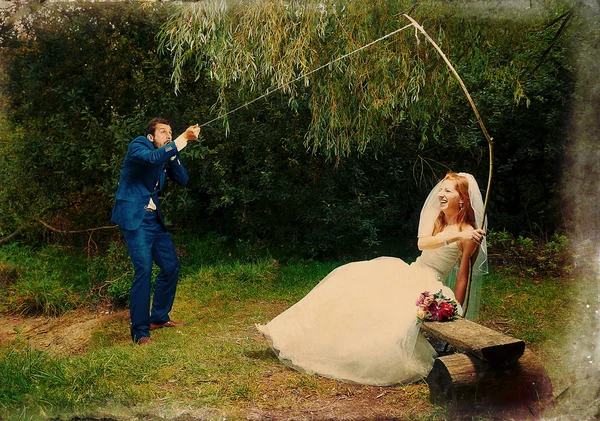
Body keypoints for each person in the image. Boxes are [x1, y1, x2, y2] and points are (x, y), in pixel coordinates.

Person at [256, 172, 487, 385]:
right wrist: (455, 234)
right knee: (350, 278)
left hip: (429, 282)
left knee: (387, 309)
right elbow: (421, 243)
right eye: (441, 190)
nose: (441, 195)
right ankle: (291, 332)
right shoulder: (442, 222)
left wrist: (456, 311)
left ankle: (357, 352)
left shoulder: (469, 233)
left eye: (448, 191)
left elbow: (463, 275)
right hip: (412, 269)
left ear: (463, 199)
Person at [112, 118, 200, 345]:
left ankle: (159, 317)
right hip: (135, 219)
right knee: (144, 269)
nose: (169, 135)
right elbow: (151, 159)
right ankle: (140, 332)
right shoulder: (139, 146)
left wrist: (173, 153)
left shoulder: (165, 155)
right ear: (151, 137)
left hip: (154, 220)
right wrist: (181, 140)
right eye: (163, 132)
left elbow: (183, 178)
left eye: (171, 132)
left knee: (170, 266)